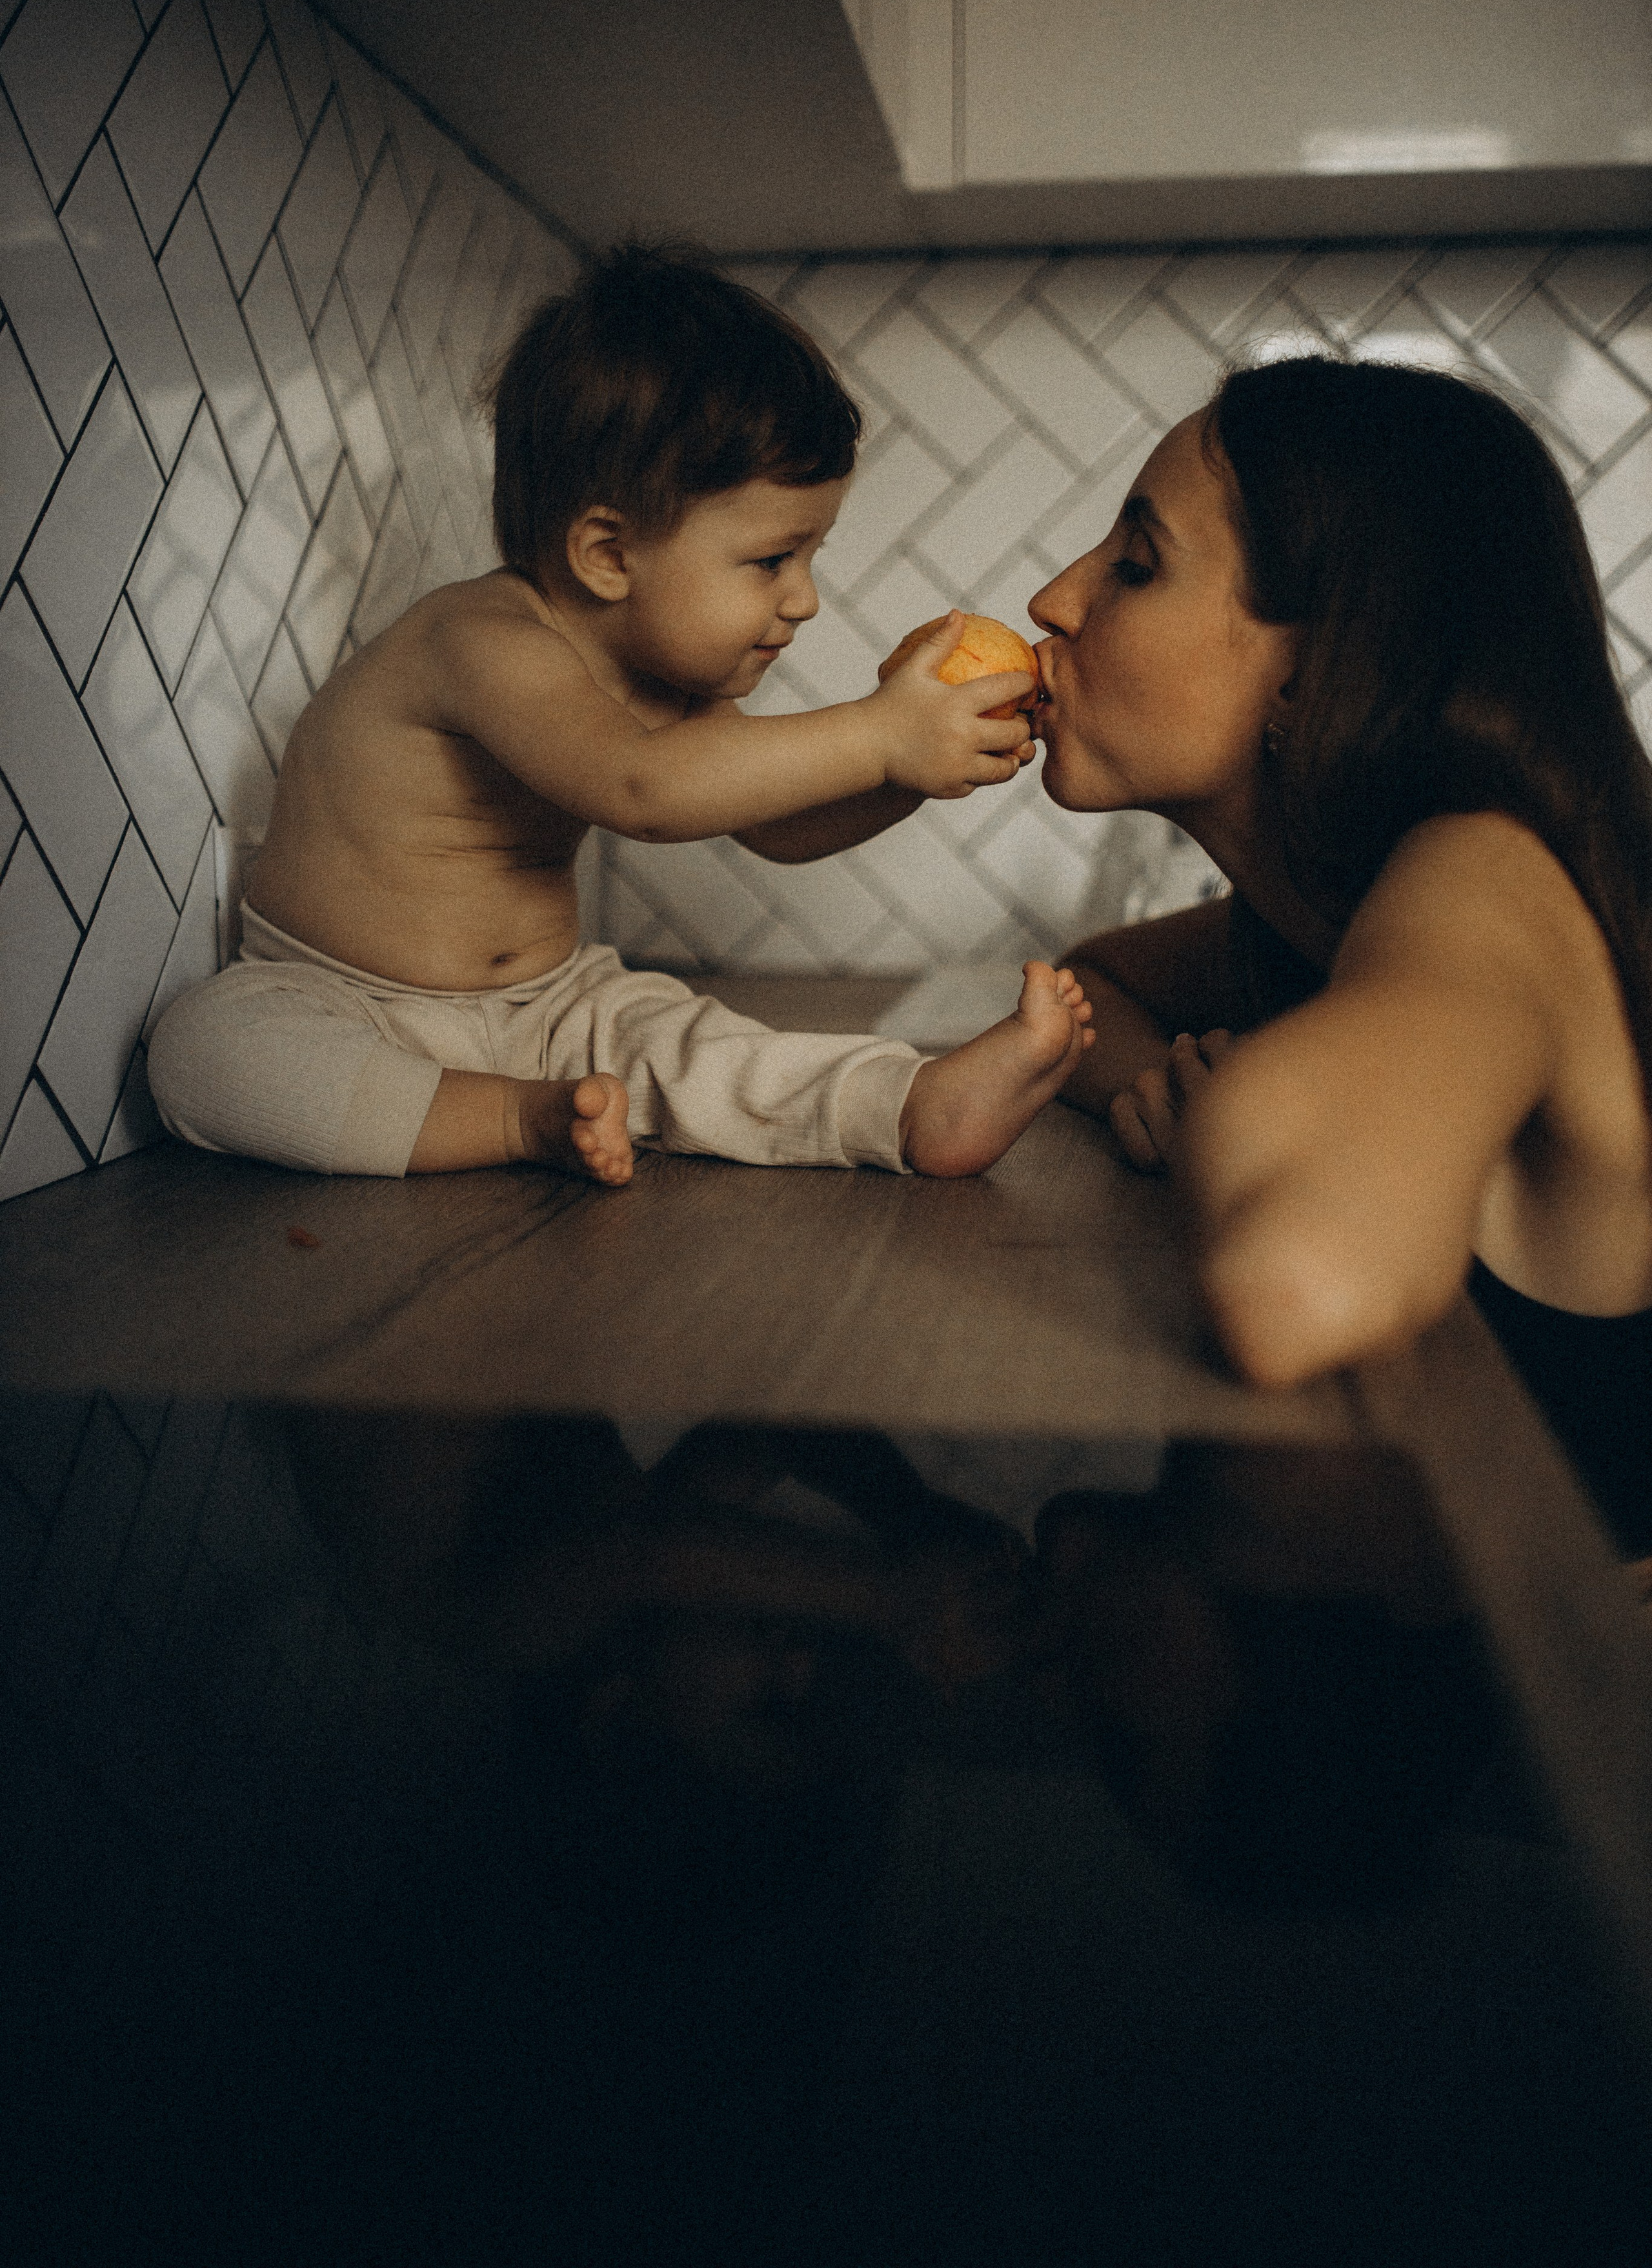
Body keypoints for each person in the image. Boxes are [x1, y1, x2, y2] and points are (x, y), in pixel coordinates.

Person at [148, 247, 1092, 1187]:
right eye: (772, 560)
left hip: (554, 1007)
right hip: (343, 1003)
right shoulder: (480, 641)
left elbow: (779, 829)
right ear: (608, 552)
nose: (804, 599)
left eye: (811, 556)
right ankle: (519, 1118)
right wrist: (881, 733)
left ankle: (904, 1105)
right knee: (206, 1049)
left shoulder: (670, 683)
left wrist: (918, 766)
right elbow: (640, 790)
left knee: (696, 1044)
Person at [1032, 354, 1652, 1554]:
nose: (1057, 600)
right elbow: (1095, 986)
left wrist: (1240, 1120)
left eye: (1137, 565)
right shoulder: (1326, 902)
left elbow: (1299, 1281)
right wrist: (1155, 1086)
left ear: (1311, 670)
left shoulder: (1487, 880)